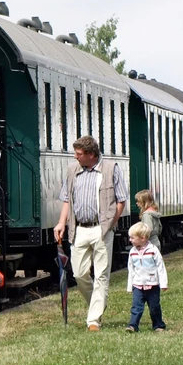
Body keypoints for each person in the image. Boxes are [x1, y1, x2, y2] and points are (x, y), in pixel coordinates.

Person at [54, 135, 128, 331]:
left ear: (91, 154)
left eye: (78, 154)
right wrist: (61, 223)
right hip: (79, 229)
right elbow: (67, 199)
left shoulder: (111, 169)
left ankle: (93, 320)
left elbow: (121, 200)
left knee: (102, 274)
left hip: (101, 229)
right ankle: (98, 303)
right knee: (79, 274)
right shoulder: (72, 170)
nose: (75, 157)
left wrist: (111, 223)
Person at [125, 222, 168, 332]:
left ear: (142, 238)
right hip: (138, 285)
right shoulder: (132, 252)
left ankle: (158, 325)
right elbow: (131, 269)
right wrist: (130, 286)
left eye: (132, 238)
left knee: (154, 307)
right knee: (136, 307)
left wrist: (163, 283)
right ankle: (133, 325)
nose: (130, 240)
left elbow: (160, 267)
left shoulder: (153, 250)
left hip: (152, 285)